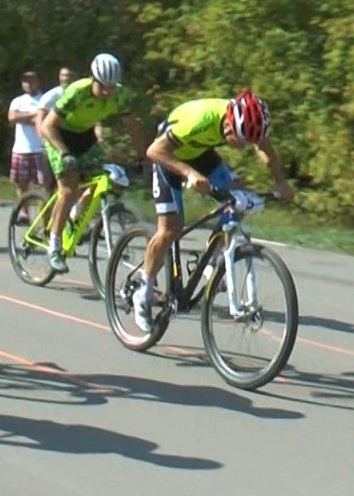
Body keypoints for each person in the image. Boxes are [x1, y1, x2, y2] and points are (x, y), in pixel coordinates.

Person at [134, 89, 295, 331]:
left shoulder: (250, 122)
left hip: (201, 154)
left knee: (238, 198)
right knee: (170, 229)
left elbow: (265, 150)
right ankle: (143, 289)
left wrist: (281, 182)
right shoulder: (200, 119)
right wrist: (189, 173)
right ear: (229, 125)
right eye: (240, 141)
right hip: (168, 156)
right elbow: (153, 151)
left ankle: (212, 268)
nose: (242, 147)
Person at [38, 54, 147, 272]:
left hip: (85, 137)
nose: (107, 92)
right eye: (103, 87)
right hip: (59, 136)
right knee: (68, 190)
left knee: (105, 179)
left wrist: (143, 157)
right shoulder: (77, 92)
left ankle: (74, 215)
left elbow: (133, 127)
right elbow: (47, 126)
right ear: (93, 79)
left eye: (111, 87)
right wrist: (65, 153)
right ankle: (54, 245)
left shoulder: (121, 95)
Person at [7, 71, 51, 212]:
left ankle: (42, 216)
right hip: (20, 148)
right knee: (22, 185)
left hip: (40, 149)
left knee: (43, 185)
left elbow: (45, 119)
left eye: (31, 81)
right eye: (25, 81)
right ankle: (24, 213)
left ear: (37, 82)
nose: (28, 84)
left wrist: (25, 117)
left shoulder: (44, 100)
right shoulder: (17, 101)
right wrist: (35, 114)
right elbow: (12, 117)